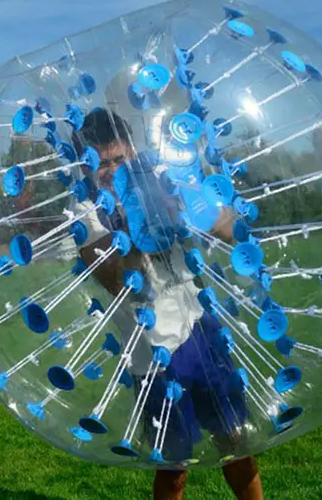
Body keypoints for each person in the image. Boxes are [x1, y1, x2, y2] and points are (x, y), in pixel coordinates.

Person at [73, 108, 263, 500]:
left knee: (236, 443)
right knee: (173, 467)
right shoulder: (85, 216)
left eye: (120, 159)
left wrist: (197, 204)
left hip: (199, 328)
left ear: (133, 152)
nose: (111, 170)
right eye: (101, 163)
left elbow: (224, 228)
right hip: (152, 354)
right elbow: (120, 283)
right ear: (87, 166)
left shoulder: (159, 184)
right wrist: (130, 226)